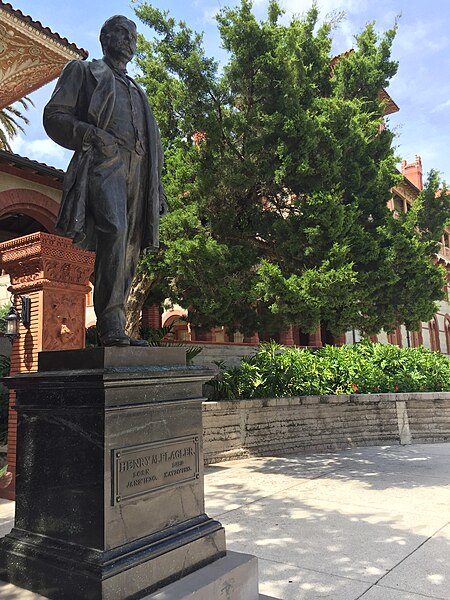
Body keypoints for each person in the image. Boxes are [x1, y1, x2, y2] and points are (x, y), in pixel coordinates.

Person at [43, 15, 168, 346]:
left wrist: (158, 188)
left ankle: (119, 324)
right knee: (115, 229)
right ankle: (110, 321)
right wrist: (92, 134)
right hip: (103, 163)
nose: (129, 40)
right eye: (123, 33)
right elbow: (54, 117)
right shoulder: (84, 71)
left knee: (131, 244)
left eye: (133, 36)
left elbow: (152, 144)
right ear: (105, 38)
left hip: (140, 172)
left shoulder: (139, 92)